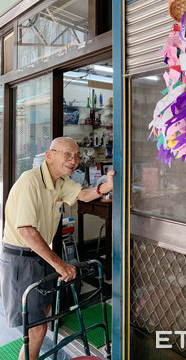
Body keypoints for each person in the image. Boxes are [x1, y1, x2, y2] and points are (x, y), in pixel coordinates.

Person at [0, 137, 115, 360]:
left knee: (43, 319)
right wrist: (60, 264)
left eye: (77, 156)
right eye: (68, 155)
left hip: (41, 256)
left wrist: (108, 186)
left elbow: (82, 195)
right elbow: (26, 230)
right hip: (22, 258)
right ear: (49, 155)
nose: (74, 160)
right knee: (35, 328)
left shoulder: (61, 181)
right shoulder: (30, 181)